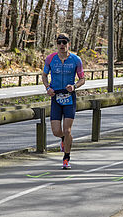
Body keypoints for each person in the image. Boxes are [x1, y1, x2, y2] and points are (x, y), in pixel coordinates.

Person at [42, 33, 85, 169]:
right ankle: (63, 140)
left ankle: (66, 158)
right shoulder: (50, 59)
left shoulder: (76, 60)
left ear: (68, 44)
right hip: (56, 96)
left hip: (69, 97)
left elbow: (82, 79)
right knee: (56, 131)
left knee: (67, 130)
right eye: (59, 42)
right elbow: (44, 75)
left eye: (64, 42)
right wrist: (47, 87)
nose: (62, 45)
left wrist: (74, 86)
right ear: (56, 44)